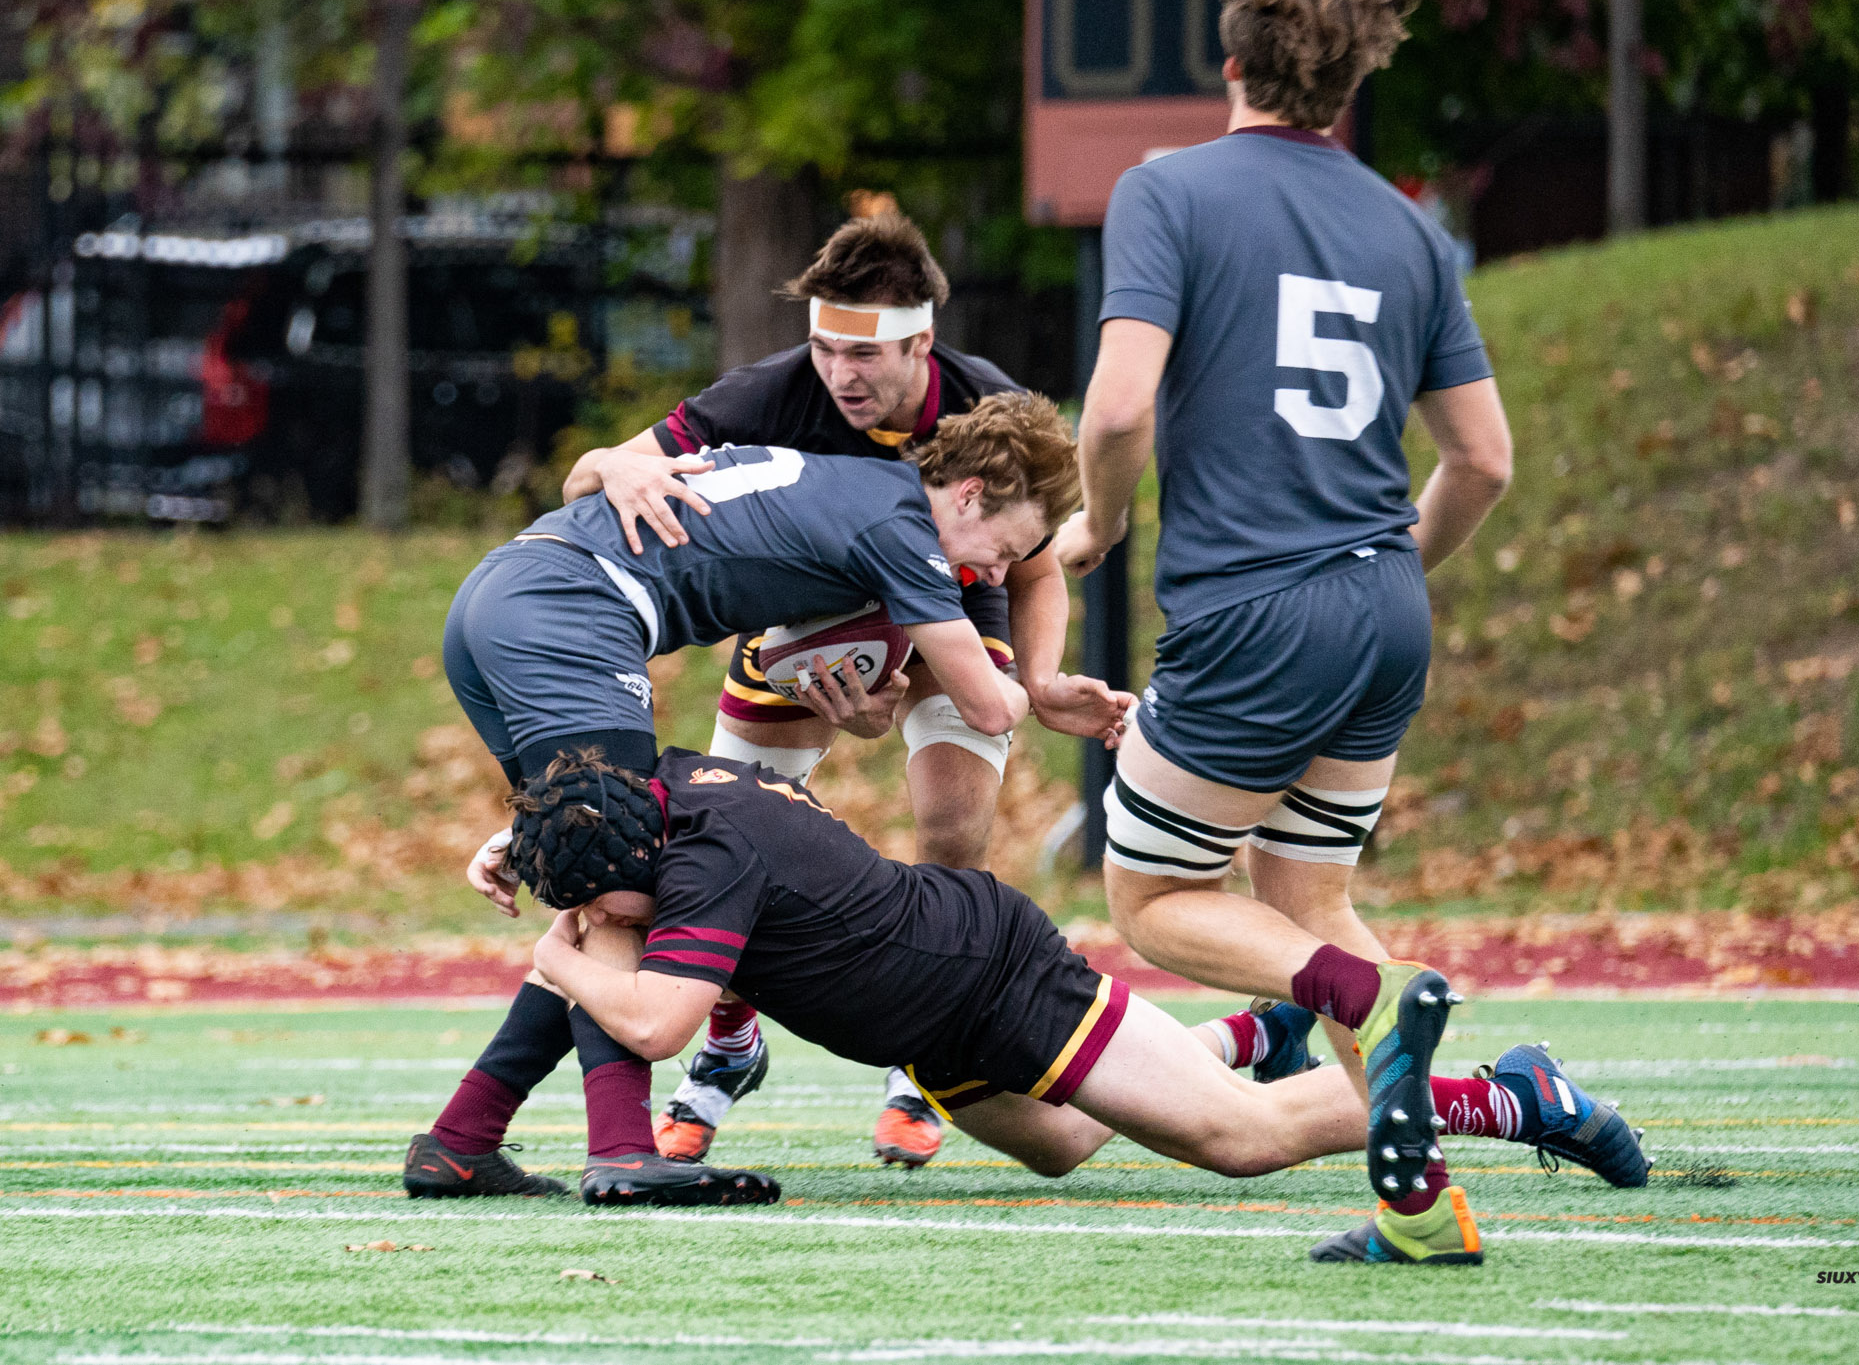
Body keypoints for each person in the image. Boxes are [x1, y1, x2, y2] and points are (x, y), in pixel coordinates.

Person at [1052, 0, 1649, 1263]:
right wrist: (1380, 578)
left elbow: (1120, 403)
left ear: (1230, 61)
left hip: (1254, 614)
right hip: (1386, 606)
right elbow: (1484, 459)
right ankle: (1422, 1210)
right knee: (1308, 900)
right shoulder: (1410, 228)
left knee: (1151, 901)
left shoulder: (1168, 191)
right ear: (1353, 79)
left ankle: (1374, 1003)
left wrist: (1098, 520)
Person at [445, 745, 1648, 1265]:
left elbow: (653, 1026)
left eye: (602, 905)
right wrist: (527, 846)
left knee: (1238, 1139)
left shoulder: (707, 866)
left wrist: (558, 959)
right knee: (1068, 1144)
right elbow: (588, 808)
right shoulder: (648, 792)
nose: (601, 924)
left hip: (987, 979)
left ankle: (1508, 1096)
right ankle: (1241, 1034)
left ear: (638, 866)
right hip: (932, 1015)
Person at [416, 394, 1123, 1202]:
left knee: (591, 859)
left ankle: (462, 1139)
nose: (994, 575)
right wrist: (1046, 692)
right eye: (1004, 548)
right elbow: (989, 707)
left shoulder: (854, 486)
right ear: (966, 494)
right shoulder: (902, 526)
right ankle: (617, 1149)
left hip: (502, 592)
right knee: (624, 882)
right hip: (573, 608)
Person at [558, 212, 1124, 1168]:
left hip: (950, 621)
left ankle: (929, 1056)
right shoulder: (773, 390)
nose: (840, 374)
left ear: (924, 343)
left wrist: (1034, 677)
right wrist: (614, 460)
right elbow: (590, 478)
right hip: (807, 630)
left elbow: (1029, 567)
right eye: (824, 347)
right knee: (715, 839)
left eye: (865, 356)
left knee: (952, 820)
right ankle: (730, 1044)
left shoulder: (985, 409)